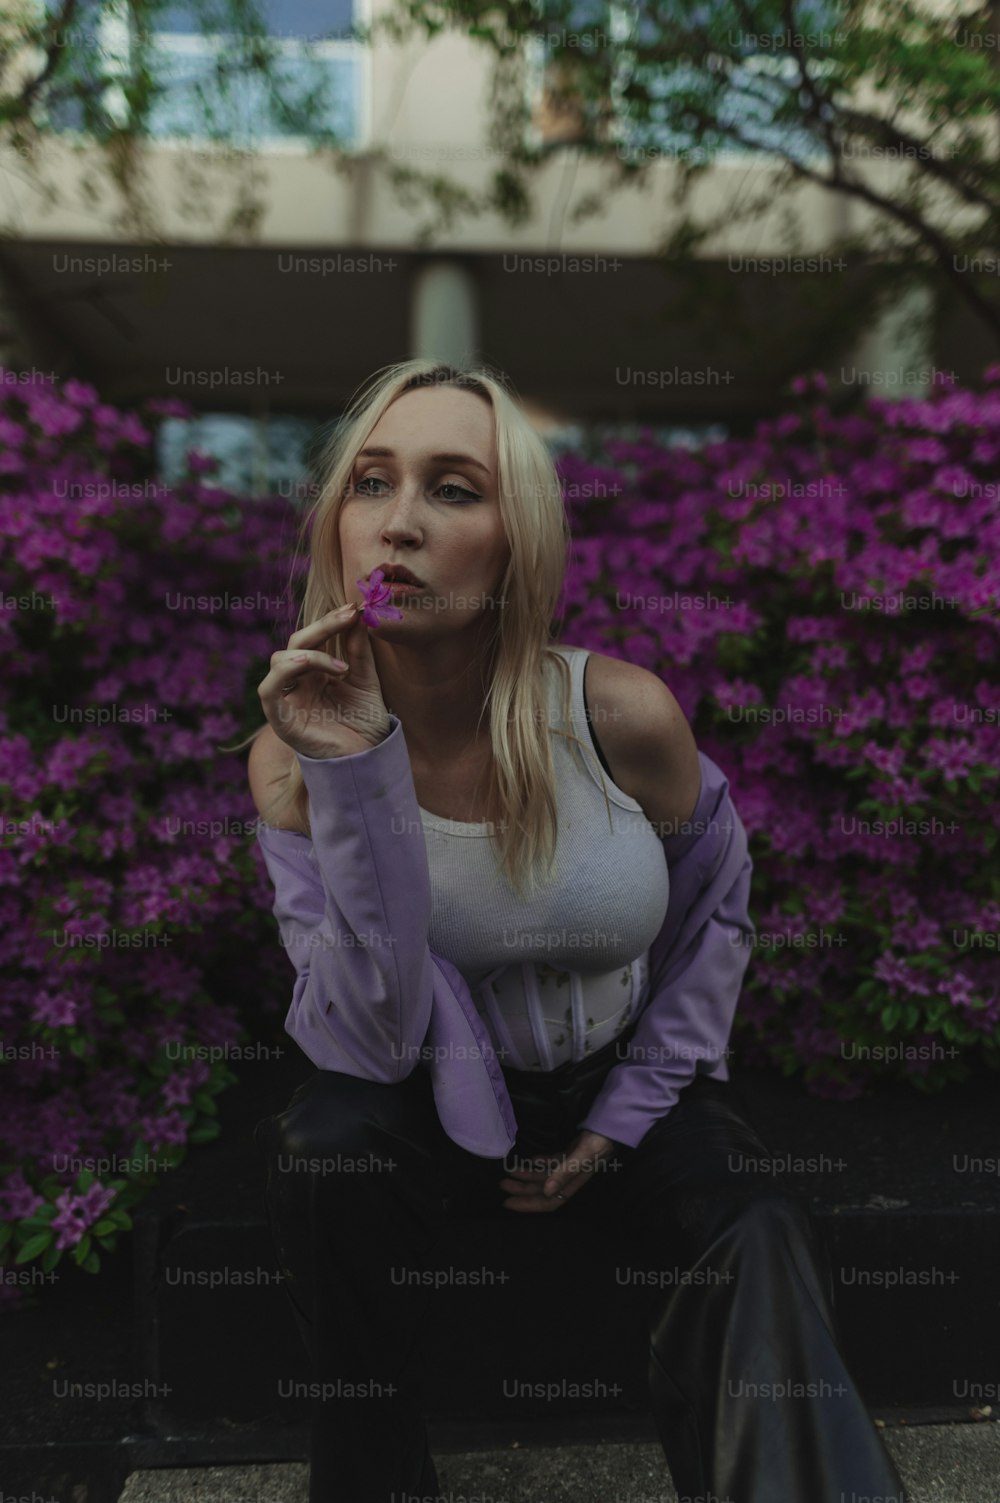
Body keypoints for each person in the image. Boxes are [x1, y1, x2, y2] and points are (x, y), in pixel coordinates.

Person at [244, 359, 911, 1503]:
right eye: (369, 484)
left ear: (518, 541)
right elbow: (363, 1037)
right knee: (325, 1152)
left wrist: (618, 1122)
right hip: (425, 1099)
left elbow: (714, 917)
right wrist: (354, 775)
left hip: (618, 1078)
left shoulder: (621, 716)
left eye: (453, 489)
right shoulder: (293, 761)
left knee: (754, 1220)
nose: (398, 524)